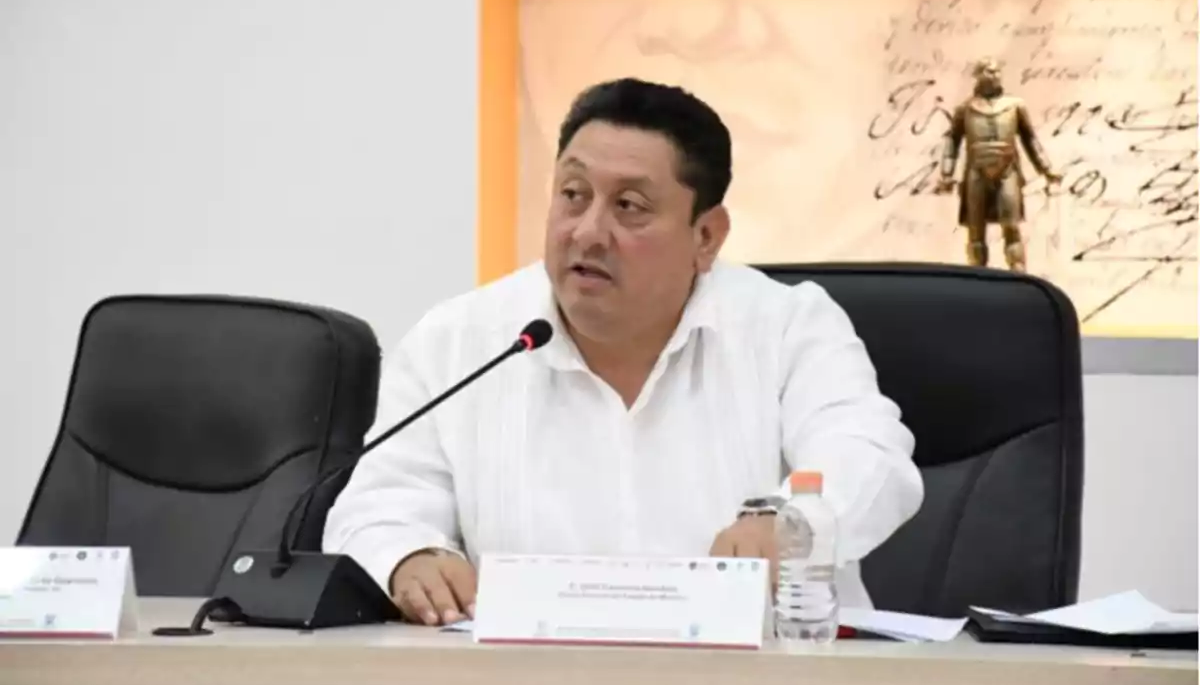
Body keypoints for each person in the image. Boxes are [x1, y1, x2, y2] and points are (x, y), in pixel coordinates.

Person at [323, 78, 923, 626]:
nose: (586, 231)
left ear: (706, 236)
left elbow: (871, 456)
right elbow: (379, 502)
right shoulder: (459, 340)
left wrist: (788, 523)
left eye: (629, 207)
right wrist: (410, 555)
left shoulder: (789, 326)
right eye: (573, 194)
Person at [936, 57, 1062, 271]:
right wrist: (946, 174)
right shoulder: (965, 109)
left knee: (1011, 226)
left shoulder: (1015, 106)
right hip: (976, 172)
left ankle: (1018, 272)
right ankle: (978, 276)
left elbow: (1030, 139)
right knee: (975, 230)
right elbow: (952, 142)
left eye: (996, 71)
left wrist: (1047, 169)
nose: (994, 75)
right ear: (977, 75)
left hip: (1008, 171)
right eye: (987, 71)